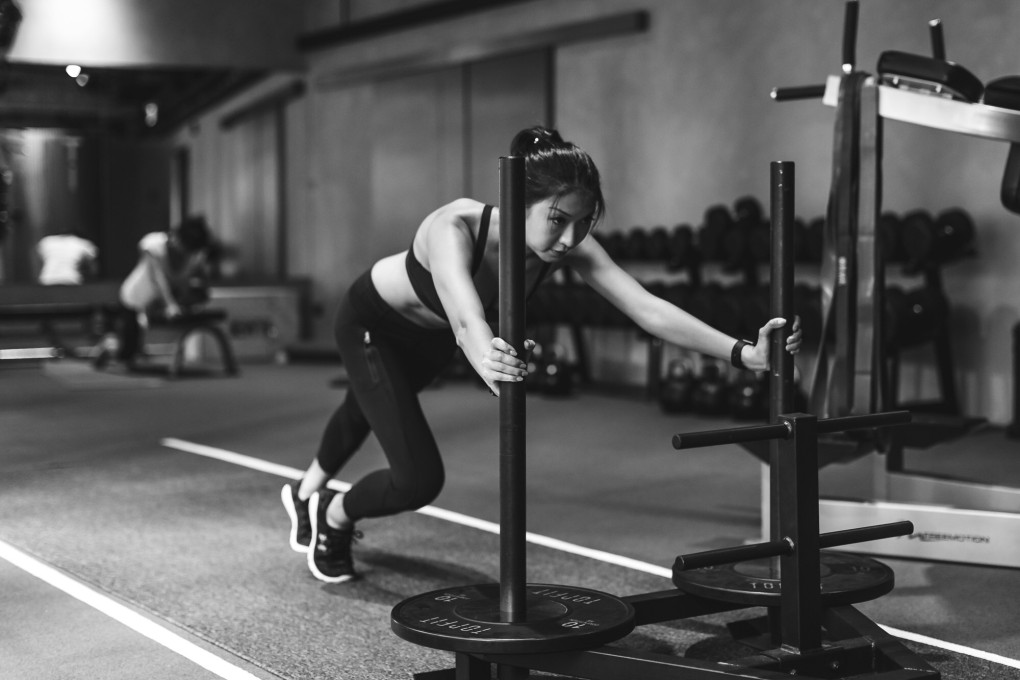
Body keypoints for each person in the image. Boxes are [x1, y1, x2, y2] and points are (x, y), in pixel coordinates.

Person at [282, 126, 803, 583]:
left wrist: (744, 354)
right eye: (557, 219)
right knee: (417, 477)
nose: (570, 237)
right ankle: (333, 515)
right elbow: (466, 321)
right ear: (516, 201)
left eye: (584, 221)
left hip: (431, 337)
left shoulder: (566, 244)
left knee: (368, 406)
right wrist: (490, 359)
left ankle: (304, 491)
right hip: (374, 326)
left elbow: (646, 308)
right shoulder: (454, 227)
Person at [96, 216, 212, 368]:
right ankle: (108, 347)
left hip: (156, 304)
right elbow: (158, 279)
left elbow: (197, 280)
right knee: (126, 353)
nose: (185, 253)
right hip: (134, 299)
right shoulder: (154, 245)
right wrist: (170, 304)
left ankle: (129, 347)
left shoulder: (194, 255)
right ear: (176, 237)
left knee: (134, 350)